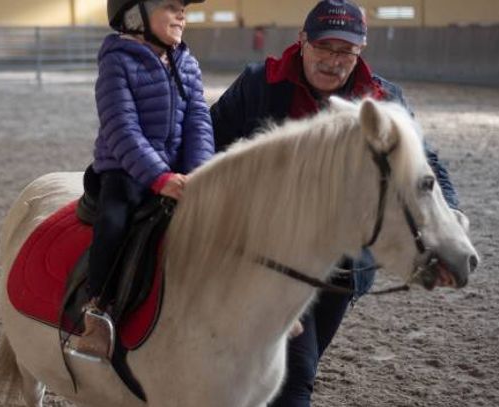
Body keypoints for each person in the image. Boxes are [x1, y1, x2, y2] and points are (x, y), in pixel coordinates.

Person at [210, 1, 461, 405]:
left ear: (360, 52)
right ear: (302, 40)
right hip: (270, 258)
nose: (334, 60)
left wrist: (452, 213)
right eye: (325, 46)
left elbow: (425, 164)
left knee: (283, 369)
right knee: (295, 375)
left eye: (346, 51)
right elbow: (209, 143)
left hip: (341, 270)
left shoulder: (383, 99)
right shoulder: (259, 84)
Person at [76, 0, 214, 359]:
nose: (181, 14)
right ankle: (98, 308)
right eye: (170, 6)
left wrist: (199, 172)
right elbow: (122, 128)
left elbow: (199, 118)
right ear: (135, 15)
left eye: (183, 8)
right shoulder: (117, 62)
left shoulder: (186, 61)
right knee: (114, 220)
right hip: (126, 168)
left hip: (178, 170)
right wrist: (158, 176)